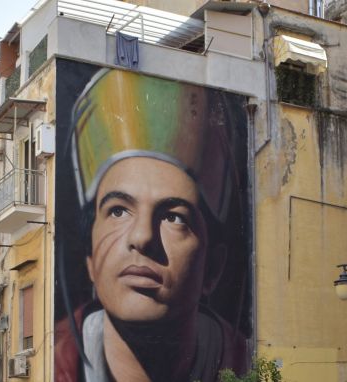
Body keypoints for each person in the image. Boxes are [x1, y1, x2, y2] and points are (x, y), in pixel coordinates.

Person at [55, 69, 248, 382]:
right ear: (89, 256)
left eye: (174, 217)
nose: (143, 237)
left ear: (213, 267)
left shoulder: (247, 365)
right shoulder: (54, 361)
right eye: (118, 211)